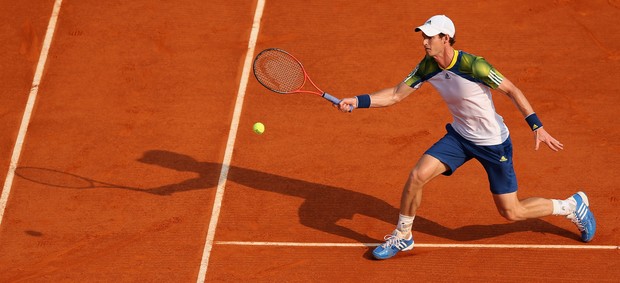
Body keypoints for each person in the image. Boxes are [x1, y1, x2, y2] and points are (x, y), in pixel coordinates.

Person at [336, 15, 596, 260]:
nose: (424, 42)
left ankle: (571, 206)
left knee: (511, 211)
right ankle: (403, 235)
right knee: (417, 175)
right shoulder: (427, 66)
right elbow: (395, 94)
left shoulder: (475, 65)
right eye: (423, 37)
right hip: (460, 137)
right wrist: (358, 101)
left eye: (430, 37)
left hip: (493, 143)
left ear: (446, 38)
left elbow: (512, 90)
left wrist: (536, 126)